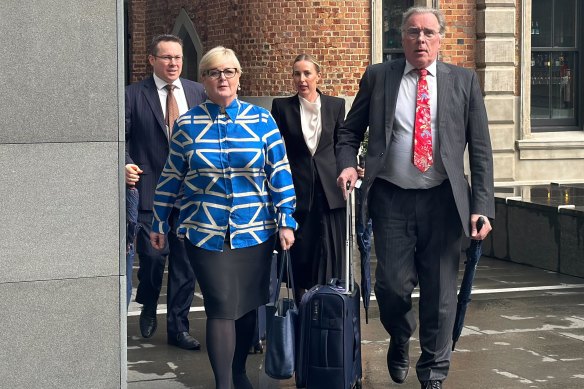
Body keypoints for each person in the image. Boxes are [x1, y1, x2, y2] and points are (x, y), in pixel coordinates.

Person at [336, 7, 494, 389]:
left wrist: (482, 208)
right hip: (392, 199)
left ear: (440, 38)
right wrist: (346, 165)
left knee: (440, 294)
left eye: (428, 33)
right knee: (391, 286)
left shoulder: (464, 81)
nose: (420, 40)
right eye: (412, 32)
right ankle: (401, 335)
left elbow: (482, 150)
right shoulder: (379, 77)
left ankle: (433, 373)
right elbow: (348, 132)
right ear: (401, 38)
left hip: (443, 202)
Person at [150, 46, 297, 389]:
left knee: (246, 307)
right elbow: (171, 176)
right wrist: (159, 222)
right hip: (205, 231)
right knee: (220, 305)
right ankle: (223, 384)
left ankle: (239, 371)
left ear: (239, 78)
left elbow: (280, 172)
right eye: (214, 72)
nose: (222, 78)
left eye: (229, 71)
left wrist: (287, 219)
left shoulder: (262, 121)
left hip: (255, 231)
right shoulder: (187, 124)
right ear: (203, 80)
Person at [125, 34, 206, 349]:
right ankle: (147, 301)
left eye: (178, 58)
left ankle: (178, 329)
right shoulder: (133, 95)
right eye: (166, 57)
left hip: (189, 195)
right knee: (152, 259)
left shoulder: (198, 92)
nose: (173, 63)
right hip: (150, 191)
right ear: (152, 60)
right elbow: (122, 138)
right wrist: (125, 165)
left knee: (185, 266)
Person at [271, 54, 346, 303]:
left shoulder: (335, 105)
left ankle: (328, 300)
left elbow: (341, 145)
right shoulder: (282, 107)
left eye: (307, 73)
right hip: (298, 189)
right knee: (302, 248)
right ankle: (302, 304)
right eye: (296, 74)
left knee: (329, 248)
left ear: (317, 76)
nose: (301, 79)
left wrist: (351, 167)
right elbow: (273, 148)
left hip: (330, 189)